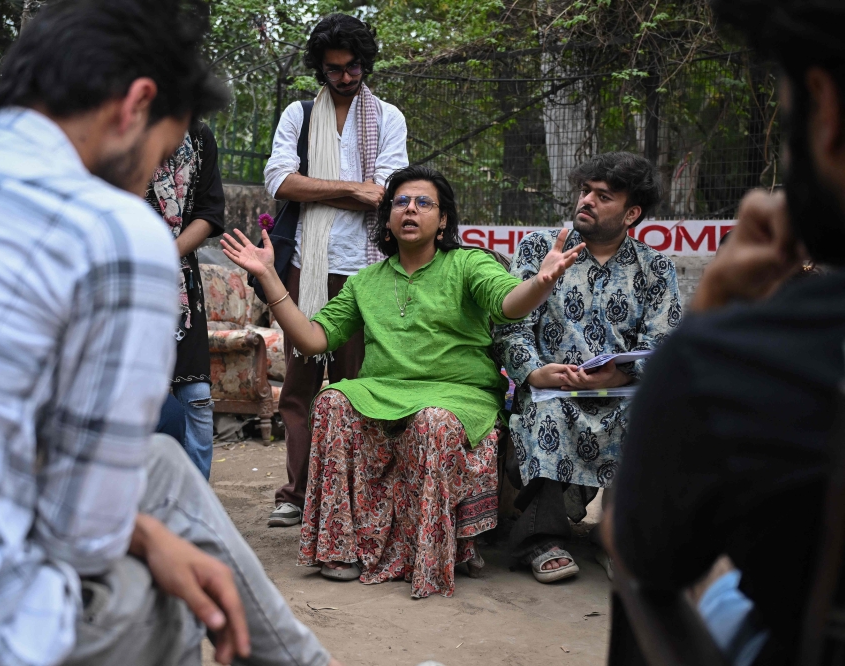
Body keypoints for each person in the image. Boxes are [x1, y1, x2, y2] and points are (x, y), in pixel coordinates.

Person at [0, 1, 340, 664]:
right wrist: (146, 541)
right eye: (159, 156)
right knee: (172, 591)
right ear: (135, 105)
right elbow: (81, 535)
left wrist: (138, 528)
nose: (145, 181)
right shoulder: (109, 230)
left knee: (160, 468)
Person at [606, 1, 845, 664]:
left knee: (724, 589)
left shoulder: (733, 360)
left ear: (827, 115)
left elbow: (641, 551)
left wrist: (711, 309)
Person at [221, 165, 585, 598]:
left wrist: (540, 283)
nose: (410, 210)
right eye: (400, 202)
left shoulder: (468, 263)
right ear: (388, 219)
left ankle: (428, 552)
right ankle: (341, 548)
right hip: (384, 388)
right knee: (333, 400)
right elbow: (313, 339)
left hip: (457, 393)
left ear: (443, 219)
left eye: (423, 202)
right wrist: (268, 276)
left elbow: (508, 305)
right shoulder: (365, 282)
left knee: (433, 420)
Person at [493, 152, 682, 584]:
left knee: (654, 415)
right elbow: (509, 326)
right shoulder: (541, 248)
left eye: (603, 196)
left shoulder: (656, 268)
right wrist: (536, 372)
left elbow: (664, 344)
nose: (587, 201)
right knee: (549, 412)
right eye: (585, 191)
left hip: (621, 392)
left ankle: (618, 537)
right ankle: (542, 538)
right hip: (550, 389)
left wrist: (621, 375)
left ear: (631, 213)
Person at [263, 13, 408, 528]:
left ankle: (351, 495)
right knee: (299, 388)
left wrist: (322, 186)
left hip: (367, 269)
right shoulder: (298, 116)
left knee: (357, 386)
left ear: (365, 63)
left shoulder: (388, 117)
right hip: (306, 266)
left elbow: (387, 193)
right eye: (334, 69)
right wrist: (351, 189)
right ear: (319, 69)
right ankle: (296, 493)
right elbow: (280, 182)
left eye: (352, 67)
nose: (345, 77)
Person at [148, 120, 225, 479]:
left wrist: (165, 254)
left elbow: (210, 213)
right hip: (126, 282)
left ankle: (195, 511)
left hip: (182, 289)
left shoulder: (199, 136)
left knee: (196, 397)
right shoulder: (114, 126)